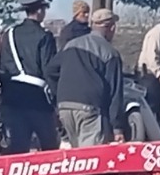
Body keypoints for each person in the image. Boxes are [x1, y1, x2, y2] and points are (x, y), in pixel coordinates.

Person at [49, 8, 127, 147]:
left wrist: (58, 94)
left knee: (77, 158)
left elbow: (50, 71)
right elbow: (115, 93)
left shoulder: (70, 45)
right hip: (90, 110)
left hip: (65, 107)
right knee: (92, 159)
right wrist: (117, 127)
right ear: (111, 27)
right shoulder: (110, 53)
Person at [0, 0, 59, 153]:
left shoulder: (10, 34)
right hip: (38, 101)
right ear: (39, 11)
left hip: (14, 100)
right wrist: (55, 101)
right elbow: (49, 70)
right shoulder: (45, 36)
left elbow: (2, 69)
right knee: (49, 148)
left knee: (18, 150)